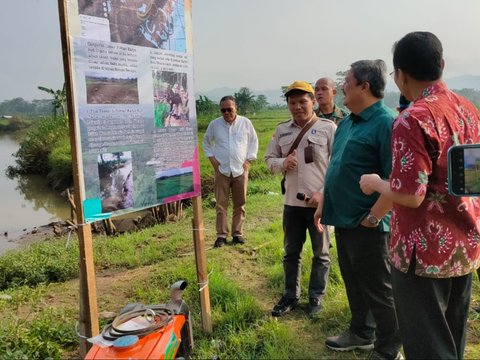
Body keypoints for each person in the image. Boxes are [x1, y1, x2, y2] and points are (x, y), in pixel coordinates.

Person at [359, 32, 480, 360]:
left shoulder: (412, 118)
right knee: (452, 337)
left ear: (400, 75)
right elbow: (473, 179)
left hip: (422, 252)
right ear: (440, 64)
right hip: (463, 242)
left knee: (427, 345)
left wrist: (375, 182)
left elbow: (410, 195)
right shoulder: (468, 110)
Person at [314, 60, 402, 360]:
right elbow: (336, 167)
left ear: (365, 86)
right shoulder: (347, 123)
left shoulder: (386, 123)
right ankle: (361, 333)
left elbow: (397, 180)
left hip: (370, 224)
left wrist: (374, 216)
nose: (343, 89)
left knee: (379, 288)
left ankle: (389, 349)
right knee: (353, 280)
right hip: (344, 219)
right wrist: (325, 200)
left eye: (348, 83)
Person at [265, 81, 336, 319]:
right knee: (290, 252)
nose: (297, 107)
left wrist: (325, 193)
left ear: (313, 102)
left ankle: (316, 296)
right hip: (292, 205)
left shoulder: (328, 128)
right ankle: (290, 295)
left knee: (321, 253)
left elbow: (337, 166)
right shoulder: (282, 130)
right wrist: (282, 163)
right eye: (292, 102)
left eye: (302, 102)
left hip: (319, 205)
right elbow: (268, 160)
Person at [203, 96, 258, 247]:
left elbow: (254, 142)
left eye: (229, 109)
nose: (226, 112)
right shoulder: (215, 125)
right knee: (221, 204)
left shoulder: (245, 123)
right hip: (222, 171)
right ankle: (221, 235)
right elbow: (206, 142)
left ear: (236, 108)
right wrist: (213, 161)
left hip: (240, 170)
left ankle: (237, 233)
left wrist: (248, 161)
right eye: (223, 110)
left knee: (240, 203)